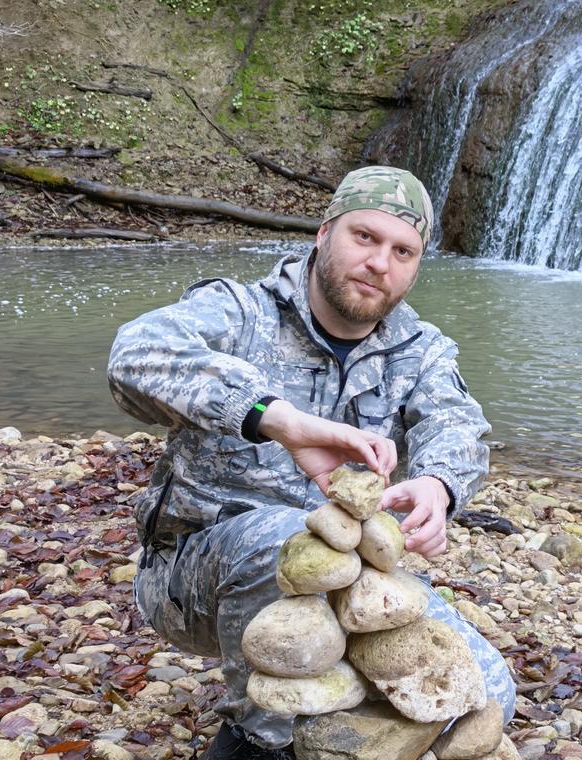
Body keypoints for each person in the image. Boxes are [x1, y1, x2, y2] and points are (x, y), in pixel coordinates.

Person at [107, 166, 516, 760]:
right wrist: (276, 417)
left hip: (351, 588)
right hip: (194, 584)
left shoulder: (421, 350)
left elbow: (458, 426)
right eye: (364, 237)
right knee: (288, 538)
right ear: (324, 234)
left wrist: (437, 485)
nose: (380, 262)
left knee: (485, 693)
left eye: (403, 250)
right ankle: (258, 740)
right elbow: (134, 356)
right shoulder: (238, 312)